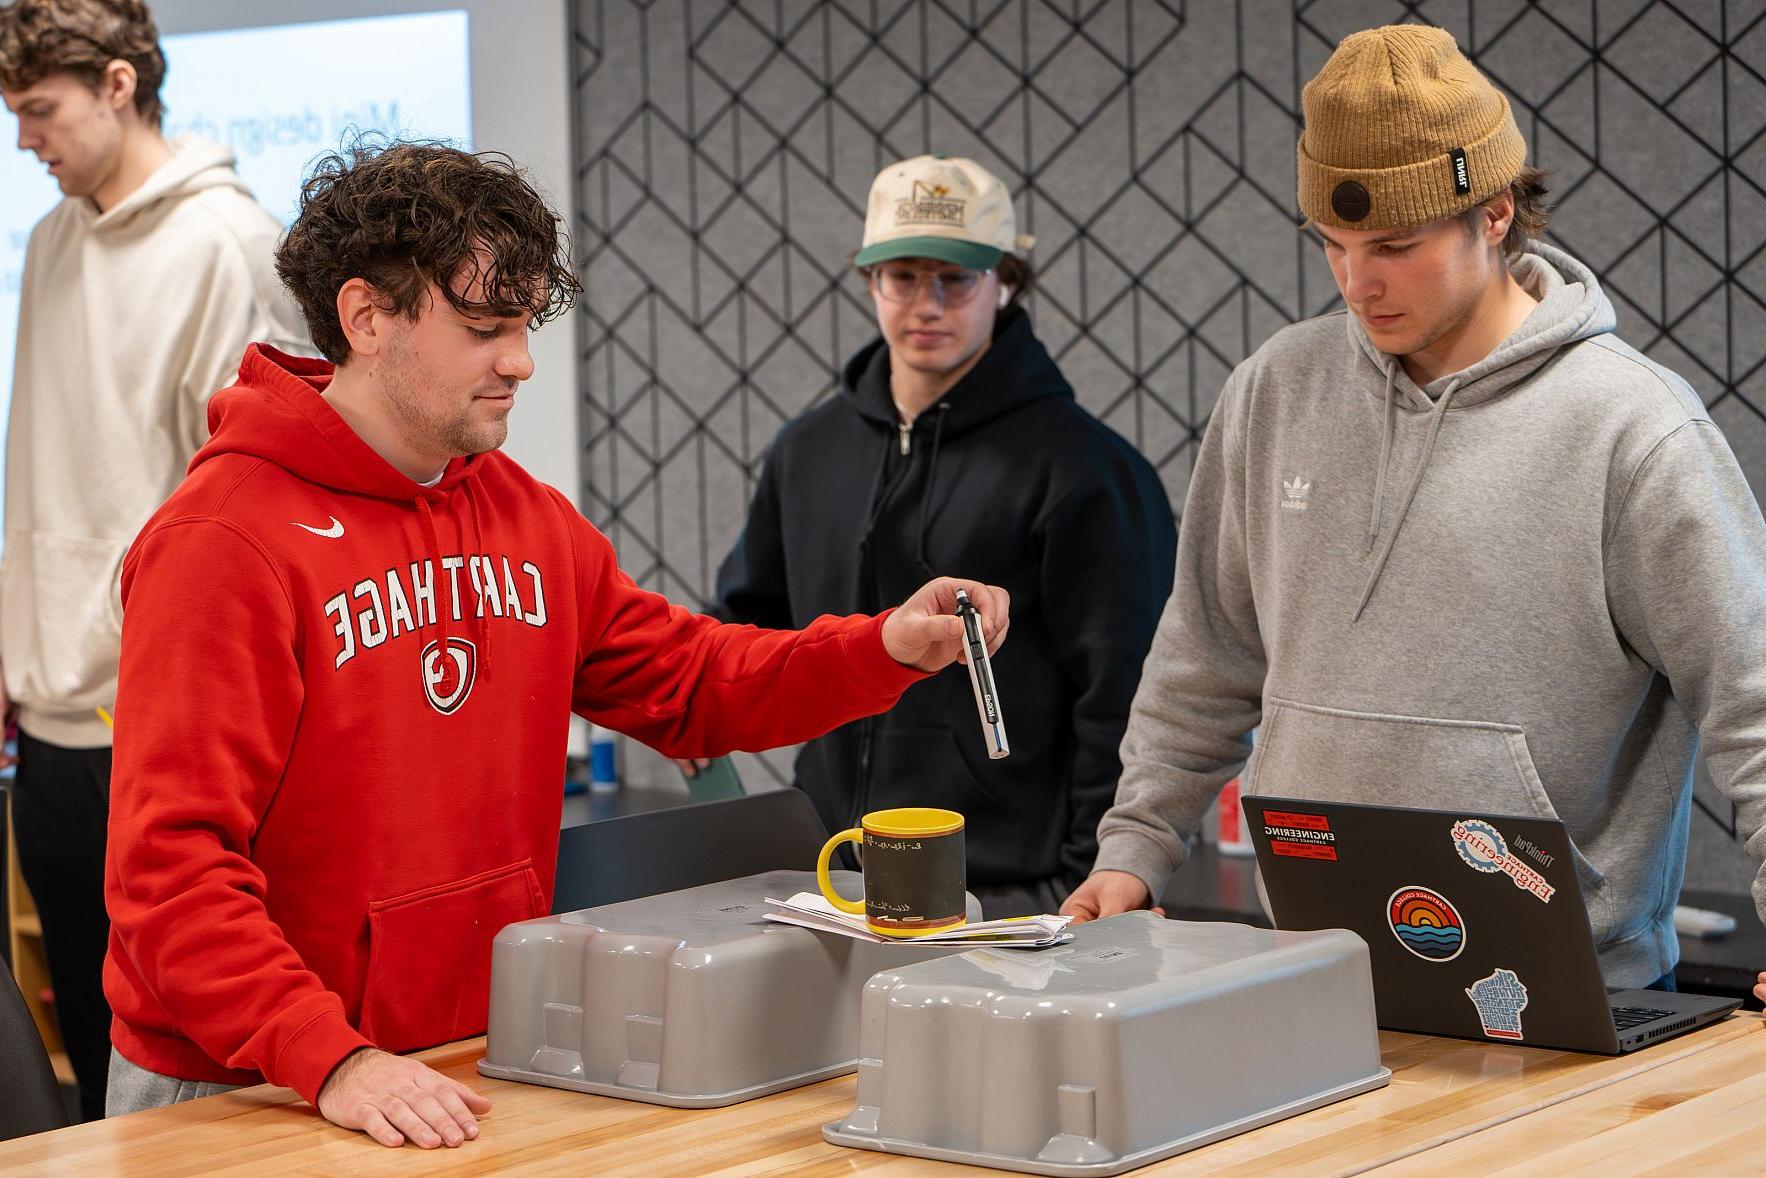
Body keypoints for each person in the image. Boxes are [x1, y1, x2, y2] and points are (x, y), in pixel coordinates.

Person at [100, 140, 1011, 1146]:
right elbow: (170, 868)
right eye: (484, 328)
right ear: (365, 317)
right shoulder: (219, 541)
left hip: (454, 1061)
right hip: (250, 1080)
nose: (519, 361)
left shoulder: (524, 519)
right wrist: (330, 1055)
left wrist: (883, 644)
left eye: (523, 326)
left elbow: (695, 683)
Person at [1063, 24, 1766, 1007]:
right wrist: (1132, 849)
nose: (1358, 283)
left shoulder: (1632, 429)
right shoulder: (1272, 392)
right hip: (1308, 976)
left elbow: (1752, 700)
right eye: (1333, 247)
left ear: (1495, 213)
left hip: (1560, 1001)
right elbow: (1203, 662)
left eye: (1393, 246)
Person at [706, 155, 1175, 918]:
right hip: (829, 879)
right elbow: (746, 625)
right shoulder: (807, 451)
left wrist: (1098, 874)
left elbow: (1124, 696)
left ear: (1007, 282)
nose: (926, 304)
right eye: (902, 276)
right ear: (870, 283)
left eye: (954, 279)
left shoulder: (1086, 469)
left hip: (1013, 890)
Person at [0, 0, 307, 1120]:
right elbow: (45, 461)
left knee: (180, 1053)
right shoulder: (47, 239)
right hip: (47, 713)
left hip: (163, 713)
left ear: (120, 85)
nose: (25, 138)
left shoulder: (231, 243)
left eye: (41, 110)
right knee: (83, 1037)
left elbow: (255, 493)